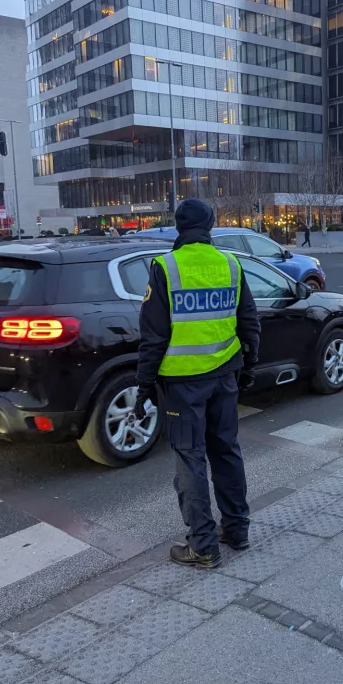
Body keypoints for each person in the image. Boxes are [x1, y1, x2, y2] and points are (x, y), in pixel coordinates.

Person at [134, 198, 261, 568]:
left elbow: (152, 337)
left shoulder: (165, 267)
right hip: (225, 374)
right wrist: (248, 364)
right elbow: (249, 321)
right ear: (210, 225)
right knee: (226, 451)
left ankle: (203, 546)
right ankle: (237, 531)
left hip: (182, 384)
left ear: (178, 227)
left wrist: (143, 388)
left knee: (190, 461)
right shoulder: (231, 263)